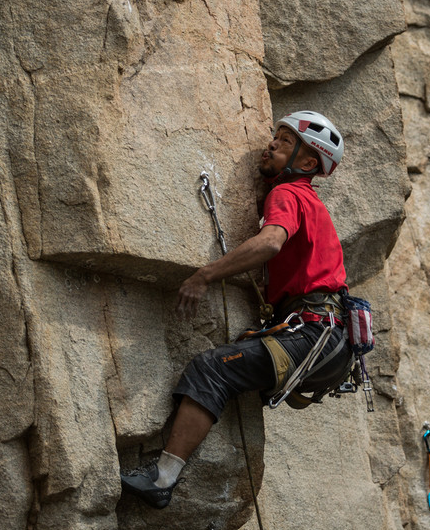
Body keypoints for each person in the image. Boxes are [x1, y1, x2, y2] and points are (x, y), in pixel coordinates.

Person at [120, 110, 352, 509]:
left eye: (283, 140)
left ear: (308, 162)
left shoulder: (290, 193)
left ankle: (162, 479)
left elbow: (269, 243)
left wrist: (204, 276)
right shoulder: (310, 204)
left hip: (313, 332)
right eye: (275, 137)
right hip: (328, 341)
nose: (271, 144)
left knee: (212, 368)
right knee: (233, 366)